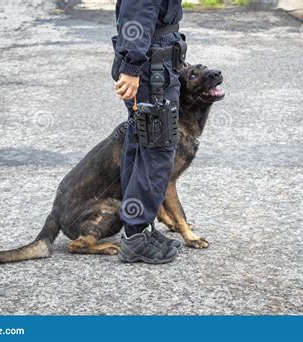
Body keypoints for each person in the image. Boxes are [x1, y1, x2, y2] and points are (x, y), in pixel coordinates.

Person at [112, 0, 187, 264]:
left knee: (142, 145)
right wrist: (132, 66)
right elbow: (139, 9)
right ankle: (135, 237)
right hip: (150, 65)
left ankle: (140, 229)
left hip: (153, 58)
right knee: (156, 149)